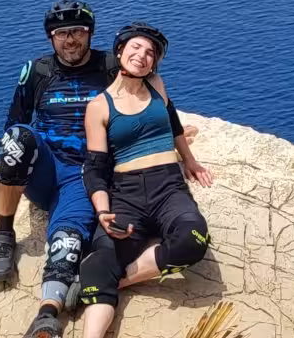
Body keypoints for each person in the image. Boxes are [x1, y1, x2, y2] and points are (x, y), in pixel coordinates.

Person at [0, 0, 116, 338]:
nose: (71, 40)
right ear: (51, 38)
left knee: (67, 236)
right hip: (46, 167)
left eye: (77, 31)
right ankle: (4, 233)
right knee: (19, 137)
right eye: (62, 33)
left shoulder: (110, 66)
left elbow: (139, 107)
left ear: (90, 33)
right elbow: (15, 123)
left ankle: (48, 315)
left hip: (85, 173)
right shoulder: (38, 71)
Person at [77, 22, 214, 338]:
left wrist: (189, 160)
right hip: (126, 193)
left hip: (168, 188)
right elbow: (95, 169)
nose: (142, 55)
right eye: (136, 48)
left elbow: (173, 122)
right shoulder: (99, 106)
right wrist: (103, 211)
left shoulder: (157, 85)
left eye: (151, 53)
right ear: (121, 50)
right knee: (97, 263)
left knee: (193, 237)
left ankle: (122, 279)